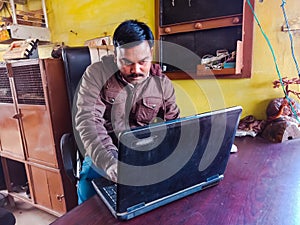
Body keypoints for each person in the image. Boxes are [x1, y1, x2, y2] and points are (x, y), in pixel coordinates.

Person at [73, 19, 180, 204]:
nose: (136, 70)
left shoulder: (162, 84)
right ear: (115, 56)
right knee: (90, 199)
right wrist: (110, 163)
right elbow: (88, 120)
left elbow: (175, 124)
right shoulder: (96, 74)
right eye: (126, 62)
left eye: (143, 62)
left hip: (142, 151)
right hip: (103, 150)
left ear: (151, 54)